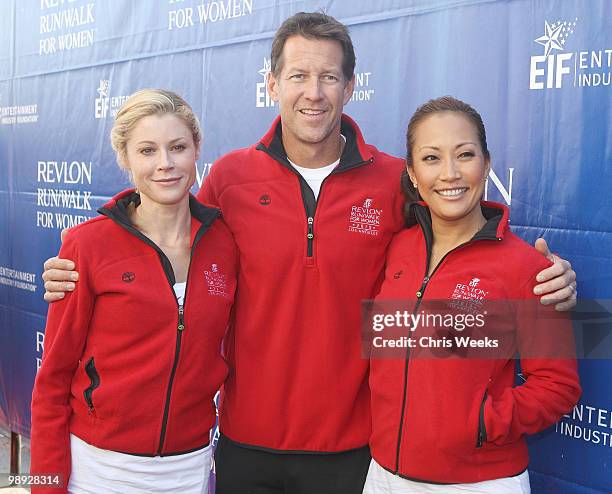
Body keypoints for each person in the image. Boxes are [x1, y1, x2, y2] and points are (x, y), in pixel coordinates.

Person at [41, 13, 577, 494]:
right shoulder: (230, 178)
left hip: (353, 450)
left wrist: (547, 280)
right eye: (298, 75)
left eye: (328, 77)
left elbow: (465, 232)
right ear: (273, 83)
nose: (313, 92)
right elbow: (165, 224)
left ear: (350, 86)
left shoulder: (396, 180)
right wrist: (88, 251)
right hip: (243, 443)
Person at [364, 96, 581, 494]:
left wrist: (481, 423)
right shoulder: (395, 249)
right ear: (411, 173)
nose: (449, 173)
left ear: (487, 164)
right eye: (431, 158)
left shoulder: (527, 267)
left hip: (478, 482)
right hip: (383, 476)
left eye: (464, 154)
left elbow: (558, 386)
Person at [30, 89, 237, 494]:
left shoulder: (227, 244)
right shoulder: (86, 247)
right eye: (147, 150)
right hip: (97, 471)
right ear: (125, 158)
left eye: (177, 147)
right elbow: (52, 381)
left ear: (197, 150)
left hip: (189, 468)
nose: (165, 164)